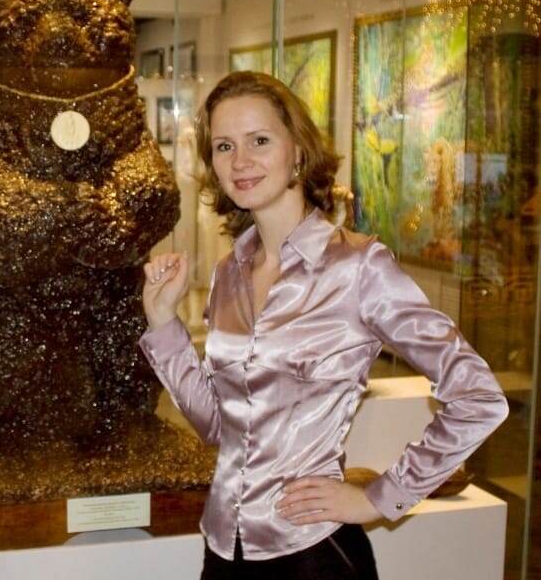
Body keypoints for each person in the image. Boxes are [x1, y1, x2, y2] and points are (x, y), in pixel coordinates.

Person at [138, 71, 509, 579]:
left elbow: (479, 397)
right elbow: (219, 426)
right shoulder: (229, 273)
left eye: (259, 140)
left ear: (297, 150)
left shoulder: (358, 267)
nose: (240, 161)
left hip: (313, 553)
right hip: (224, 548)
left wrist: (379, 497)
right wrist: (163, 323)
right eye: (224, 146)